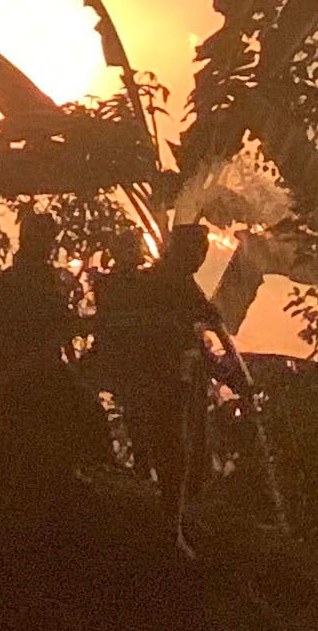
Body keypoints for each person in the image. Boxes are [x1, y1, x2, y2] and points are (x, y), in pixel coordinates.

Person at [91, 222, 224, 551]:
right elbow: (209, 316)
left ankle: (173, 520)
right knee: (173, 451)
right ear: (179, 251)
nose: (199, 259)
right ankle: (172, 527)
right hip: (159, 378)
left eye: (203, 253)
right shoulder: (169, 282)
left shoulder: (164, 280)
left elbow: (207, 316)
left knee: (174, 448)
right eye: (196, 252)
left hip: (155, 378)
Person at [0, 212, 93, 458]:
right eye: (46, 240)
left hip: (10, 385)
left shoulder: (7, 283)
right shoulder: (33, 287)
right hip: (25, 387)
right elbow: (47, 341)